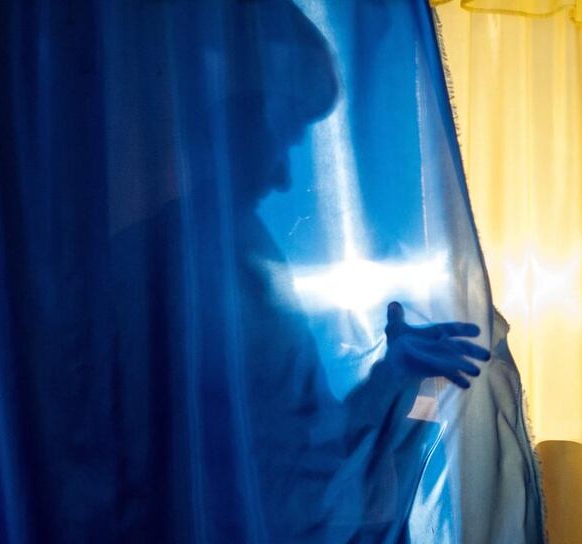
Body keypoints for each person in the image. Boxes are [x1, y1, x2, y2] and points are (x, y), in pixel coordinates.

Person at [108, 1, 490, 541]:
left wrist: (394, 378)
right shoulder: (159, 273)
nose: (286, 177)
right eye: (282, 137)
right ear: (221, 127)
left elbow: (306, 462)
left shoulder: (248, 266)